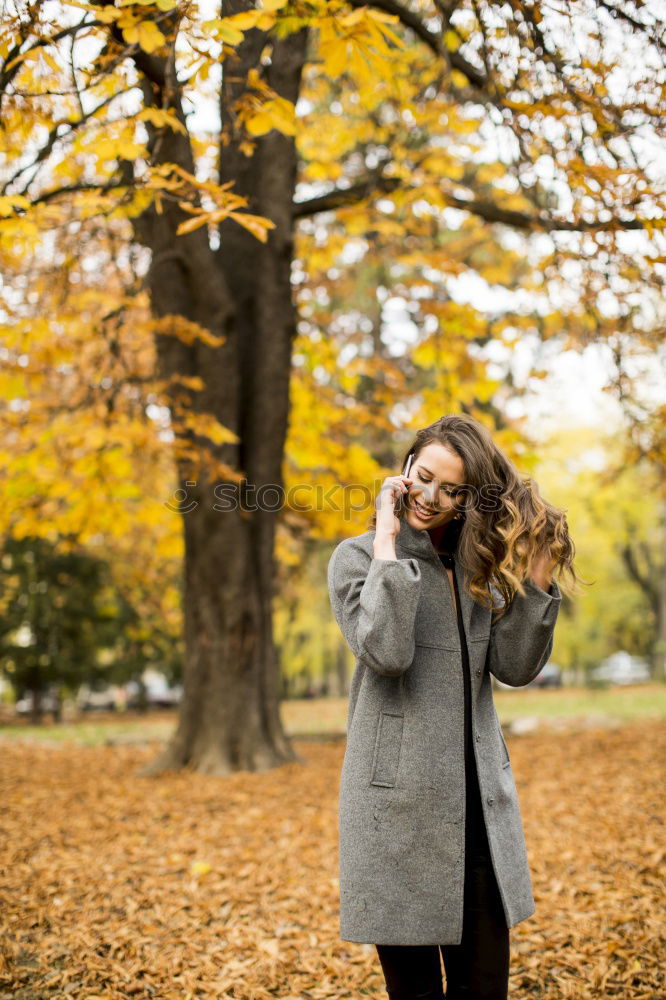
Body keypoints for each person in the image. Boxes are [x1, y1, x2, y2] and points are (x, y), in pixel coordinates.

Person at [327, 414, 580, 1000]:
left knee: (484, 987)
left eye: (452, 489)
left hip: (479, 817)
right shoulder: (358, 559)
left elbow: (516, 668)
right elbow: (386, 652)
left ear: (468, 498)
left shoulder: (478, 568)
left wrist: (538, 572)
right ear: (405, 469)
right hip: (398, 814)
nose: (431, 497)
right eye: (424, 477)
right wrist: (389, 544)